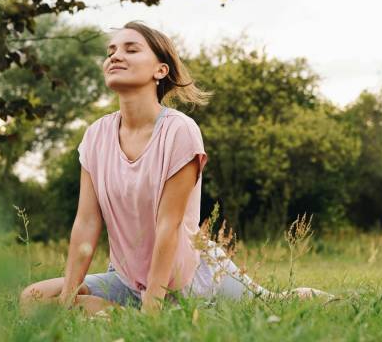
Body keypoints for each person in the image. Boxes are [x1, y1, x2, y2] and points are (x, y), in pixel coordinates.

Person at [19, 21, 331, 316]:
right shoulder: (95, 136)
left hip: (190, 277)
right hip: (128, 280)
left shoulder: (180, 130)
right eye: (111, 50)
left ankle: (345, 301)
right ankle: (126, 315)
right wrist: (68, 298)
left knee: (276, 305)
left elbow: (168, 225)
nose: (115, 56)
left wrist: (152, 312)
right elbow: (86, 222)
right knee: (33, 298)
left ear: (160, 69)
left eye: (131, 49)